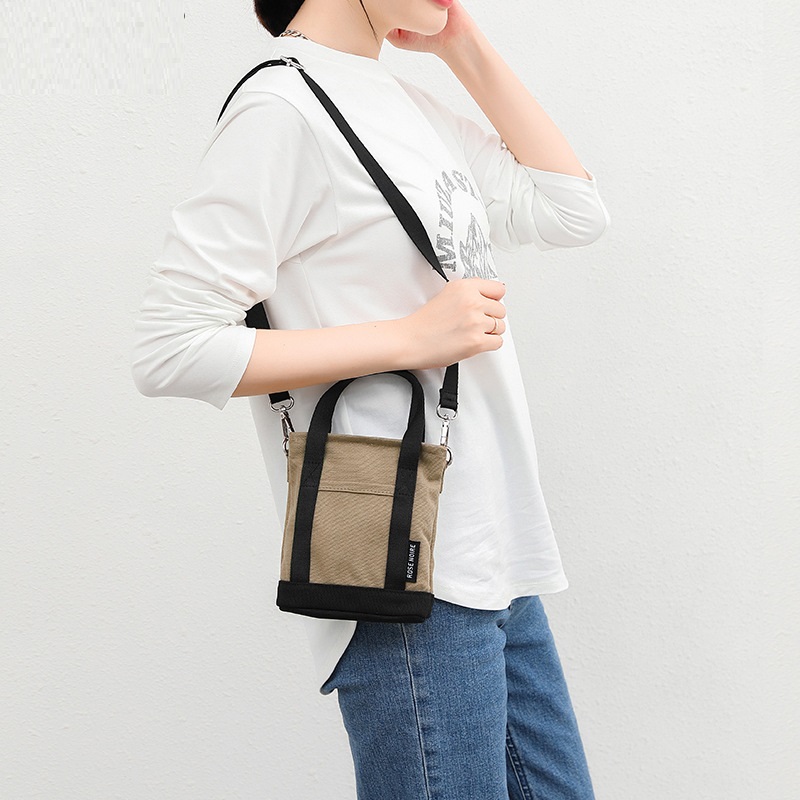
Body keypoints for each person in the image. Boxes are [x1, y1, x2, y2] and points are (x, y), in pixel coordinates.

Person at [131, 1, 611, 797]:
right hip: (399, 570)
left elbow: (573, 211)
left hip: (497, 558)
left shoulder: (403, 102)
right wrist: (408, 338)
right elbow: (169, 347)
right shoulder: (282, 108)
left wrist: (461, 44)